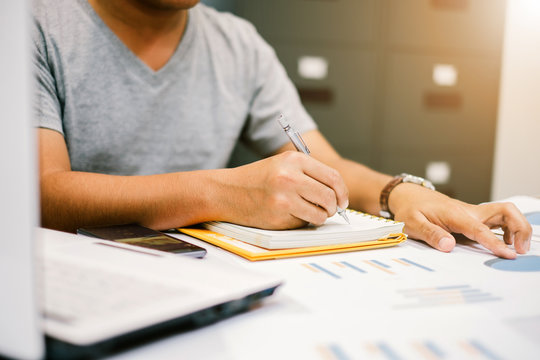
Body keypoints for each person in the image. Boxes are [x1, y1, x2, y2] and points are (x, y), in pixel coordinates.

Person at [34, 0, 531, 259]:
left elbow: (326, 165)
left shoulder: (239, 44)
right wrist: (225, 191)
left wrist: (398, 193)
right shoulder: (33, 23)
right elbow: (39, 193)